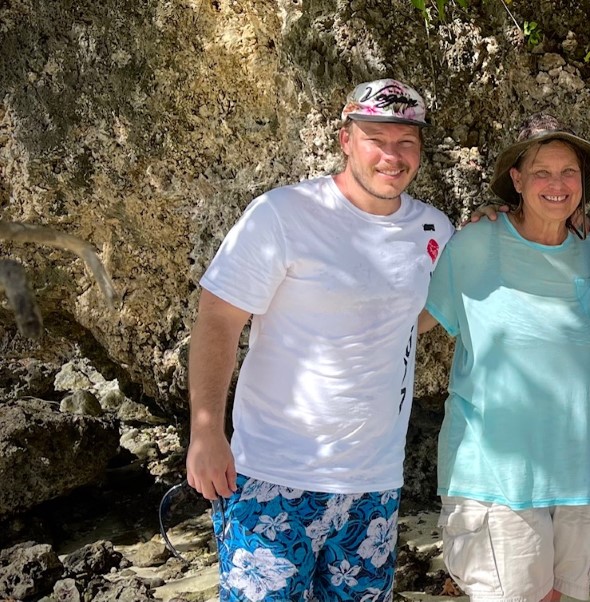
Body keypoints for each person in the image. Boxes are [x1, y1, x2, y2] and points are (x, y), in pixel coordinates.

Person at [186, 79, 453, 601]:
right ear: (346, 140)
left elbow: (421, 316)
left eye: (406, 142)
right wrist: (205, 432)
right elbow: (218, 319)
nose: (392, 155)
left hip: (374, 484)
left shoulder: (434, 229)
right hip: (271, 477)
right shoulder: (282, 214)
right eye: (376, 139)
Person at [421, 114, 590, 602]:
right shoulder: (475, 243)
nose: (557, 184)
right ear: (517, 180)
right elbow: (411, 322)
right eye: (541, 172)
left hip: (578, 475)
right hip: (495, 476)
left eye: (568, 172)